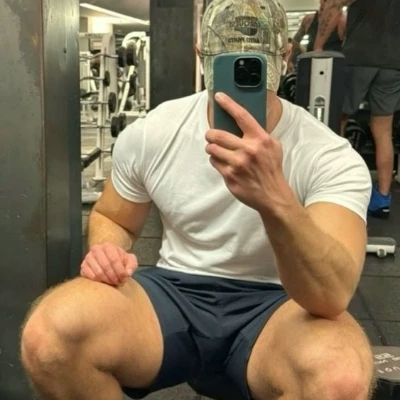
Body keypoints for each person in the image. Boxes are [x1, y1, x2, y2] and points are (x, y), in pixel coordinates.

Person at [20, 1, 375, 400]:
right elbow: (114, 217)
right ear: (201, 55)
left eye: (256, 66)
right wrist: (107, 249)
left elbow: (330, 296)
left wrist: (276, 200)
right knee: (50, 341)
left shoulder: (328, 155)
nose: (243, 79)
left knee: (339, 382)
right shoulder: (155, 132)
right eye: (228, 64)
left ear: (285, 57)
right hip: (175, 293)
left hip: (278, 306)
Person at [315, 0, 400, 219]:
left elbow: (335, 4)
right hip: (393, 62)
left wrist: (318, 46)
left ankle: (334, 189)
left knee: (338, 121)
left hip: (359, 57)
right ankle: (382, 198)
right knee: (383, 131)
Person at [289, 0, 346, 71]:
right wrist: (291, 59)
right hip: (312, 62)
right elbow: (296, 40)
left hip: (333, 65)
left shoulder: (342, 21)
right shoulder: (309, 20)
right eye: (323, 0)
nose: (324, 3)